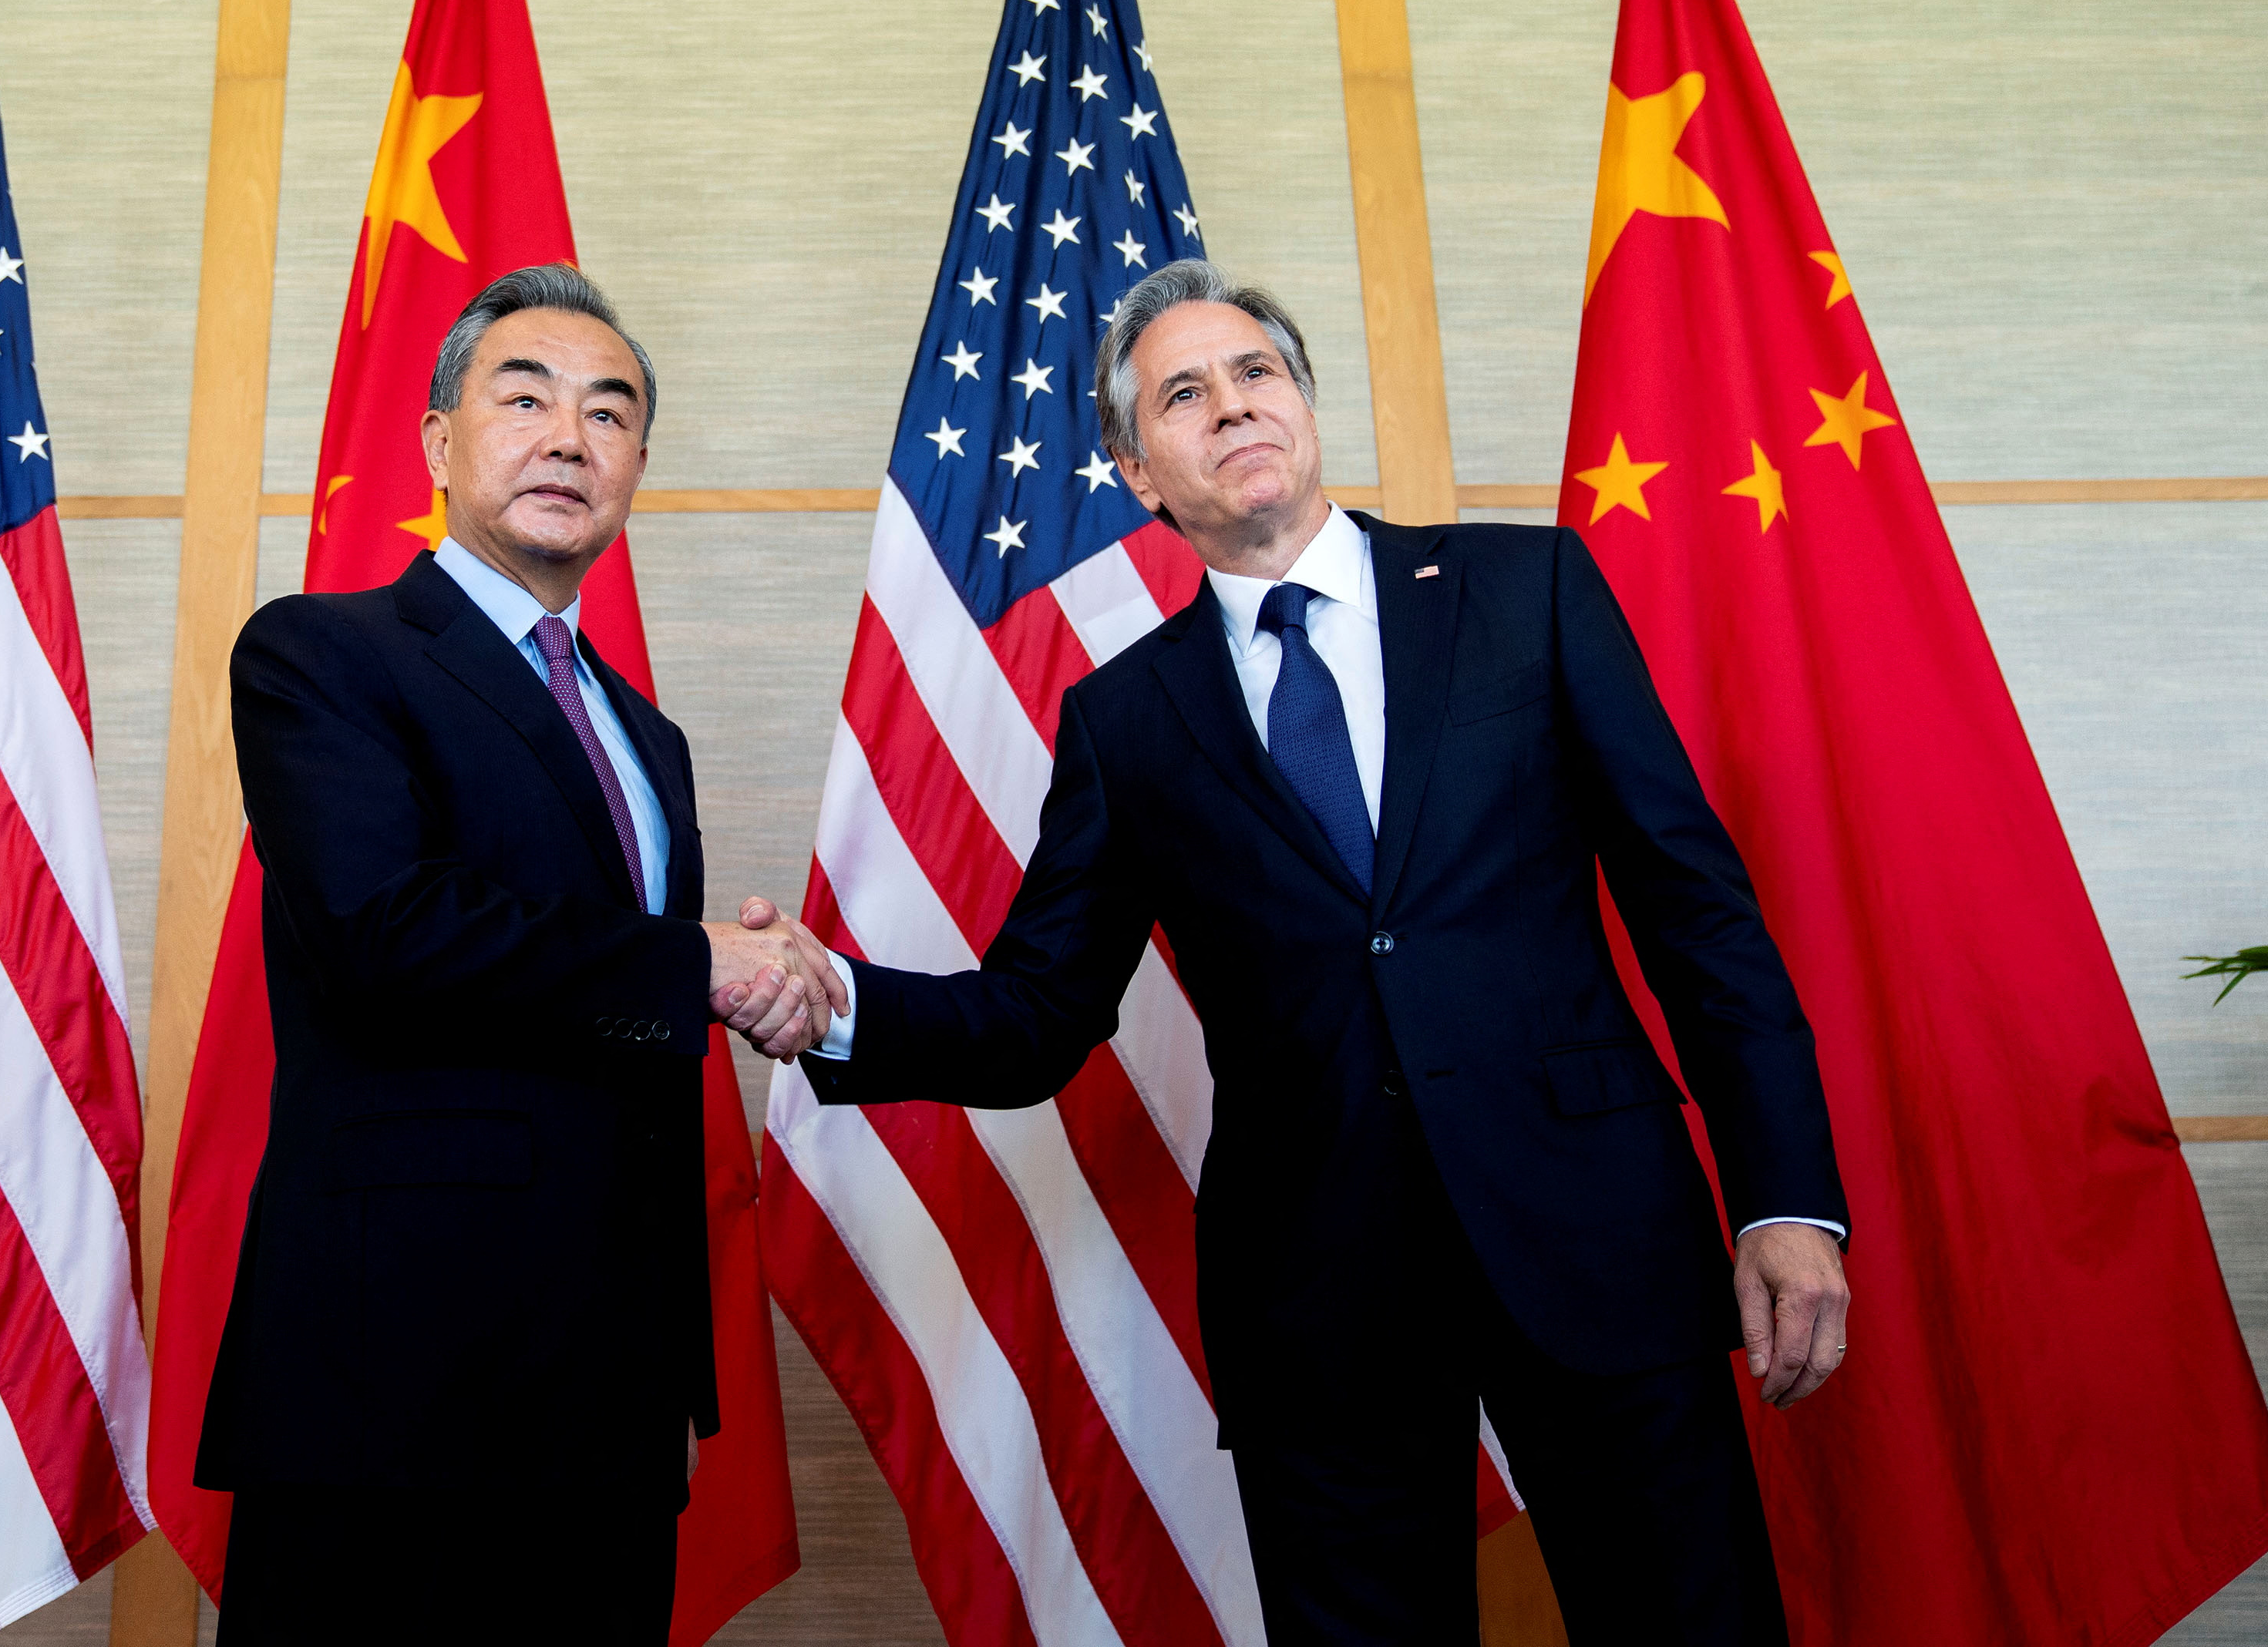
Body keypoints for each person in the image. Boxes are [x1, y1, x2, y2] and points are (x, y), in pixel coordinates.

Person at [796, 260, 1852, 1644]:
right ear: (1135, 467)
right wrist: (830, 1010)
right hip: (1322, 1296)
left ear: (1303, 402)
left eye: (1256, 373)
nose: (1232, 407)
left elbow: (1695, 910)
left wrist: (1787, 1197)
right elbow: (1040, 1011)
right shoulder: (1127, 720)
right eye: (1184, 394)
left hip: (1594, 1233)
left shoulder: (1520, 588)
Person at [198, 264, 846, 1645]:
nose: (570, 437)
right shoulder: (324, 653)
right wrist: (700, 970)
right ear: (438, 442)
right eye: (527, 397)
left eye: (610, 415)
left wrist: (712, 975)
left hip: (608, 1394)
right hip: (395, 1378)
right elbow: (387, 930)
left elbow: (623, 1033)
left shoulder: (644, 734)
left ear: (636, 469)